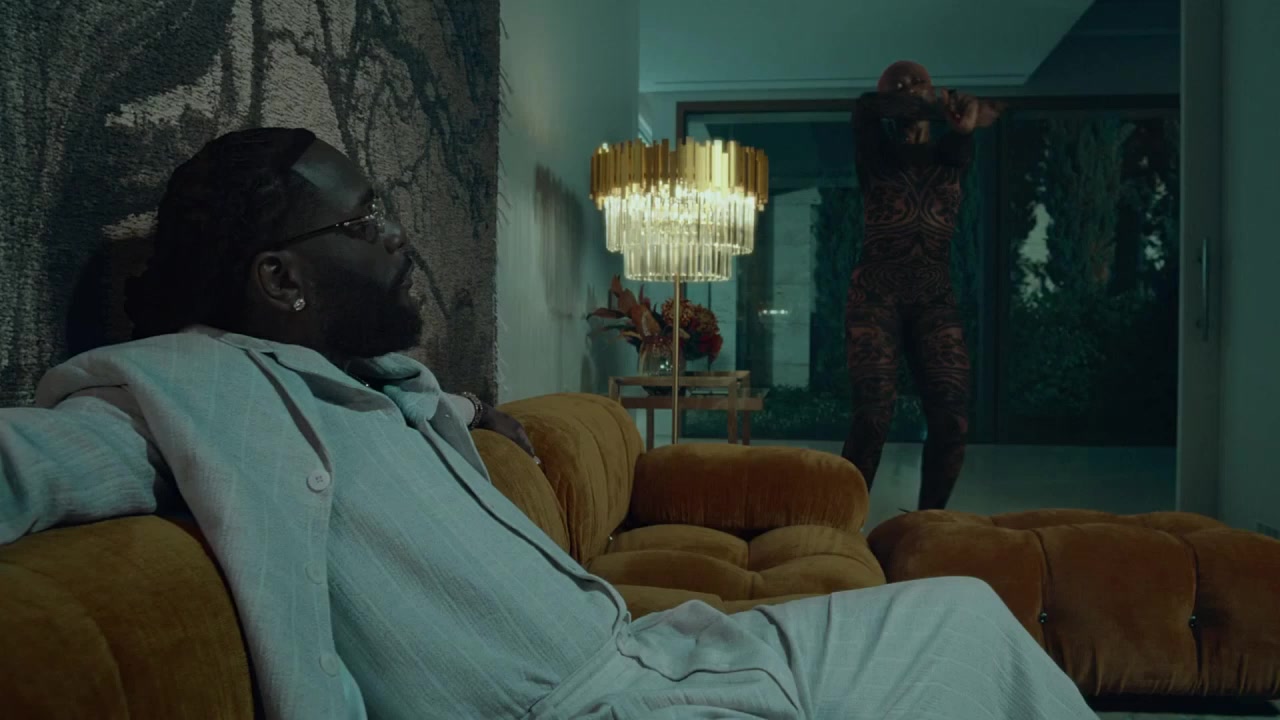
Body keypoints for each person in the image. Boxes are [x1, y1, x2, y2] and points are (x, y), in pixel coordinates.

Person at [0, 128, 1093, 719]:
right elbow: (33, 460)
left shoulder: (369, 380)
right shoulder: (186, 393)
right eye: (366, 220)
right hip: (601, 708)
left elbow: (410, 418)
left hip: (665, 650)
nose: (398, 239)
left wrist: (474, 415)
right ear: (280, 279)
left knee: (964, 612)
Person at [843, 60, 1004, 511]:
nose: (908, 86)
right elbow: (866, 107)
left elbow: (976, 128)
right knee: (873, 415)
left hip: (934, 295)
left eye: (918, 81)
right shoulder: (873, 147)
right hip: (875, 292)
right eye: (898, 84)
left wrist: (964, 123)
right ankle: (839, 521)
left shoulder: (951, 151)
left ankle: (929, 523)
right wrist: (935, 104)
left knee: (953, 419)